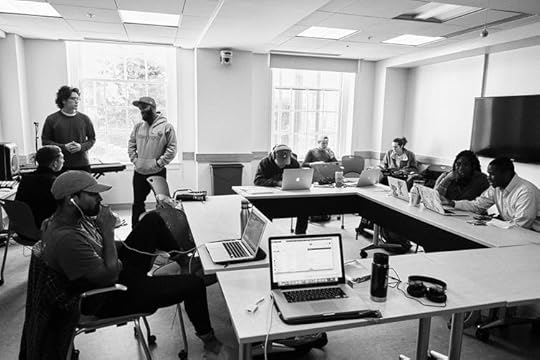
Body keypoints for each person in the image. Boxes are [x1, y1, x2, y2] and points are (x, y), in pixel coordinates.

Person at [40, 171, 231, 359]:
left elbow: (100, 250)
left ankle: (183, 261)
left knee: (151, 220)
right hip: (108, 294)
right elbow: (110, 275)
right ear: (71, 199)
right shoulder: (66, 238)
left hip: (112, 269)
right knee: (194, 284)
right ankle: (211, 343)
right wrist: (107, 231)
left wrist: (135, 242)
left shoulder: (73, 220)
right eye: (92, 194)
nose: (99, 198)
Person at [442, 157, 540, 231]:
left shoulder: (525, 192)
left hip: (533, 236)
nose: (488, 178)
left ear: (506, 174)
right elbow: (477, 205)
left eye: (492, 174)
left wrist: (492, 223)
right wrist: (451, 203)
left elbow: (520, 226)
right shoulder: (496, 187)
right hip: (510, 232)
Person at [128, 96, 177, 228]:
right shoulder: (138, 127)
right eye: (140, 108)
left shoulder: (166, 127)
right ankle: (136, 230)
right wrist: (135, 160)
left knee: (162, 203)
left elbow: (172, 149)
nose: (141, 111)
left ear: (153, 108)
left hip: (157, 172)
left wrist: (159, 163)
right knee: (138, 203)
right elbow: (131, 144)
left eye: (144, 107)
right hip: (139, 171)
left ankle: (163, 231)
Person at [254, 144, 308, 234]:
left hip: (290, 194)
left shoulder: (293, 162)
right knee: (265, 209)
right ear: (274, 156)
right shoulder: (264, 163)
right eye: (280, 163)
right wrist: (276, 183)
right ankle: (267, 234)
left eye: (285, 163)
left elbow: (300, 177)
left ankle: (300, 234)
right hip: (269, 198)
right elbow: (257, 180)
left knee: (305, 207)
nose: (283, 166)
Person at [41, 86, 96, 172]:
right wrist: (64, 147)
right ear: (63, 100)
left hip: (82, 164)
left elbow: (92, 139)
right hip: (60, 166)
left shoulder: (85, 119)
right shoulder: (51, 119)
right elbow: (45, 142)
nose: (76, 101)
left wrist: (81, 147)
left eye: (78, 99)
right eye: (73, 98)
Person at [15, 145, 64, 229]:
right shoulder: (55, 182)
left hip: (22, 229)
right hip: (45, 230)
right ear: (55, 163)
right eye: (62, 158)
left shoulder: (25, 178)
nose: (64, 161)